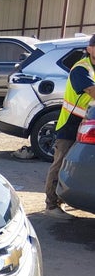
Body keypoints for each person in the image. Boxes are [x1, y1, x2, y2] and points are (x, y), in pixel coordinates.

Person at [44, 34, 95, 218]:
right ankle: (51, 205)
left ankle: (66, 199)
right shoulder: (81, 69)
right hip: (70, 124)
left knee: (75, 166)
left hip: (86, 124)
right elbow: (92, 92)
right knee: (60, 163)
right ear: (89, 48)